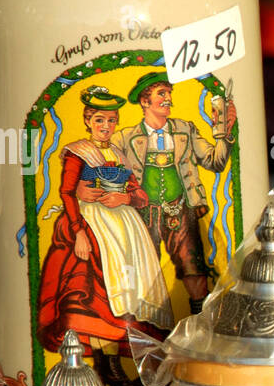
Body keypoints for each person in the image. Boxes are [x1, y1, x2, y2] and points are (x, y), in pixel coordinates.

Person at [37, 87, 173, 360]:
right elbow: (66, 191)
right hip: (91, 225)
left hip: (125, 231)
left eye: (111, 120)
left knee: (130, 296)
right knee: (92, 295)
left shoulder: (120, 155)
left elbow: (141, 196)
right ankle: (104, 363)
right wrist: (78, 233)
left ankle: (126, 361)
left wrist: (125, 197)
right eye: (99, 120)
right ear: (88, 120)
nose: (105, 126)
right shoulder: (78, 152)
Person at [111, 71, 236, 313]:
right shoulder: (125, 137)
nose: (168, 98)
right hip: (141, 214)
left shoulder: (184, 130)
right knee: (142, 274)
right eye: (161, 94)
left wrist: (223, 134)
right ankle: (144, 333)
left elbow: (215, 163)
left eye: (169, 93)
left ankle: (200, 328)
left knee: (193, 269)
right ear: (145, 102)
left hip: (180, 210)